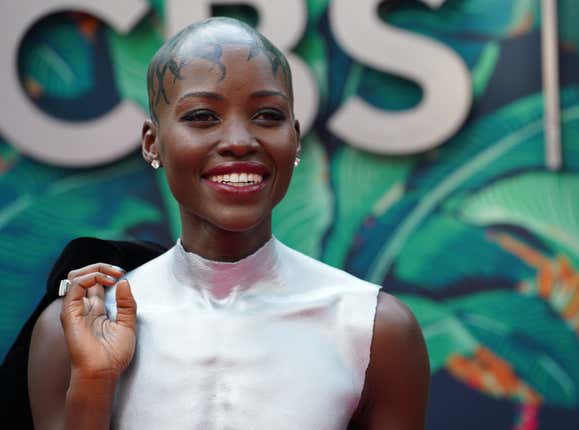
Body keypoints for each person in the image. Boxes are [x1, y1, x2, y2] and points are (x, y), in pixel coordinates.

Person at [27, 17, 429, 429]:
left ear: (294, 138)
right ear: (153, 143)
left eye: (267, 116)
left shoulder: (373, 330)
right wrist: (95, 380)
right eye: (202, 116)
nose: (239, 140)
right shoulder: (74, 333)